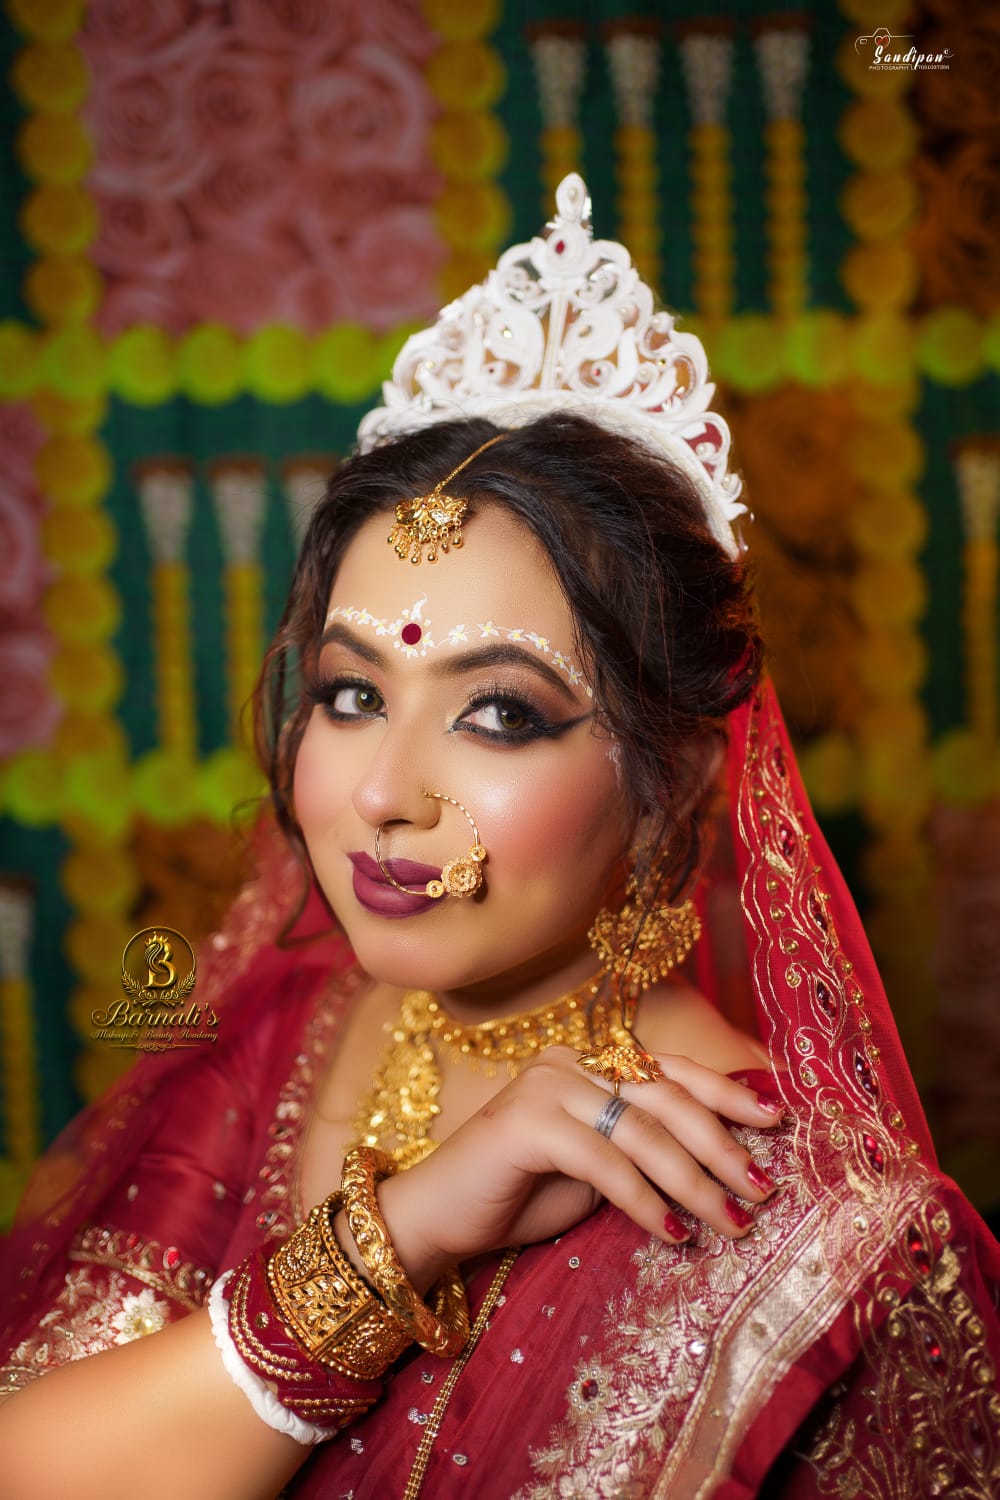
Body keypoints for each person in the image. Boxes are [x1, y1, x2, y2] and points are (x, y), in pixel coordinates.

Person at [0, 175, 997, 1500]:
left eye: (500, 715)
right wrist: (397, 1238)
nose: (381, 793)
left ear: (674, 775)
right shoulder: (275, 1037)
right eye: (353, 694)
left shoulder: (830, 1248)